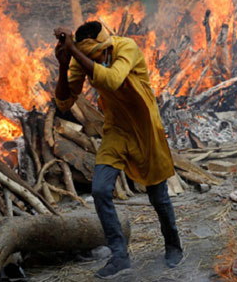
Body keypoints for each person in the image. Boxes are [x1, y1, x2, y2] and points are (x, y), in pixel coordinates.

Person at [53, 21, 183, 279]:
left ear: (104, 45)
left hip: (145, 128)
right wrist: (64, 63)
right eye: (87, 56)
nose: (92, 61)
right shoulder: (83, 57)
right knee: (100, 189)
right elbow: (65, 101)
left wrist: (76, 52)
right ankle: (120, 256)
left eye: (95, 55)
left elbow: (112, 80)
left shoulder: (126, 47)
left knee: (158, 196)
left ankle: (173, 245)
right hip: (116, 130)